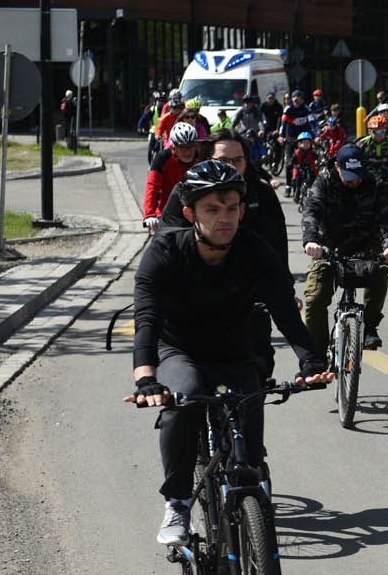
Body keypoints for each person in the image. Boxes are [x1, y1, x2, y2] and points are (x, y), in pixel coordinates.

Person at [126, 159, 331, 546]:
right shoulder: (165, 251)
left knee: (250, 461)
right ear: (190, 214)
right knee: (181, 402)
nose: (226, 218)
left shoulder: (253, 250)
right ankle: (178, 502)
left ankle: (249, 512)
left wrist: (311, 361)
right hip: (180, 350)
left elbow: (285, 312)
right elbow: (147, 319)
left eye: (232, 208)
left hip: (234, 352)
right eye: (212, 209)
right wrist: (146, 378)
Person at [159, 133, 292, 377]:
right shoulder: (185, 192)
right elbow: (167, 242)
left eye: (238, 160)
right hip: (194, 298)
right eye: (223, 160)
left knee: (257, 374)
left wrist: (284, 291)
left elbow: (277, 246)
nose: (231, 167)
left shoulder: (261, 195)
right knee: (187, 391)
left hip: (248, 300)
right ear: (207, 159)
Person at [300, 145, 388, 353]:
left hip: (368, 244)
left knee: (381, 269)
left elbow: (387, 217)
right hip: (329, 246)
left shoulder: (378, 183)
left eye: (358, 175)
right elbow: (312, 211)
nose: (355, 181)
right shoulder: (324, 181)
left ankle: (370, 327)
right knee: (315, 297)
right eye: (349, 176)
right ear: (337, 167)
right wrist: (311, 241)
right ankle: (317, 355)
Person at [143, 122, 204, 230]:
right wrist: (149, 214)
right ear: (173, 148)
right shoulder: (162, 159)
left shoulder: (200, 160)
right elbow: (152, 186)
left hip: (193, 215)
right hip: (167, 214)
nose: (188, 152)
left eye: (192, 147)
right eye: (183, 148)